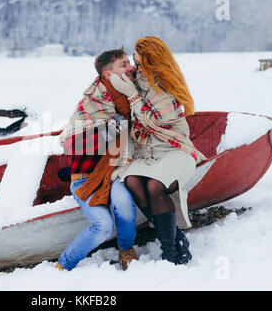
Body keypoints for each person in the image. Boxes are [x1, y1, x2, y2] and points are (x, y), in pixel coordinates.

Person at [109, 36, 207, 265]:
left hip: (174, 149)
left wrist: (132, 94)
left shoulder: (166, 87)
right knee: (132, 180)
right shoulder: (136, 82)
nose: (135, 67)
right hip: (147, 152)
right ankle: (177, 236)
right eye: (134, 61)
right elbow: (127, 122)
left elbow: (154, 122)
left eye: (140, 63)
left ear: (152, 64)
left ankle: (170, 253)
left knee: (155, 186)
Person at [56, 48, 138, 271]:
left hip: (116, 172)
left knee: (123, 203)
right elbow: (76, 145)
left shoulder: (129, 96)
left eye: (129, 62)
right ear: (109, 75)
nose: (130, 67)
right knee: (103, 226)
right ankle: (63, 266)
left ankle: (126, 250)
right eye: (124, 65)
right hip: (86, 179)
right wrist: (120, 123)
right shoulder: (93, 102)